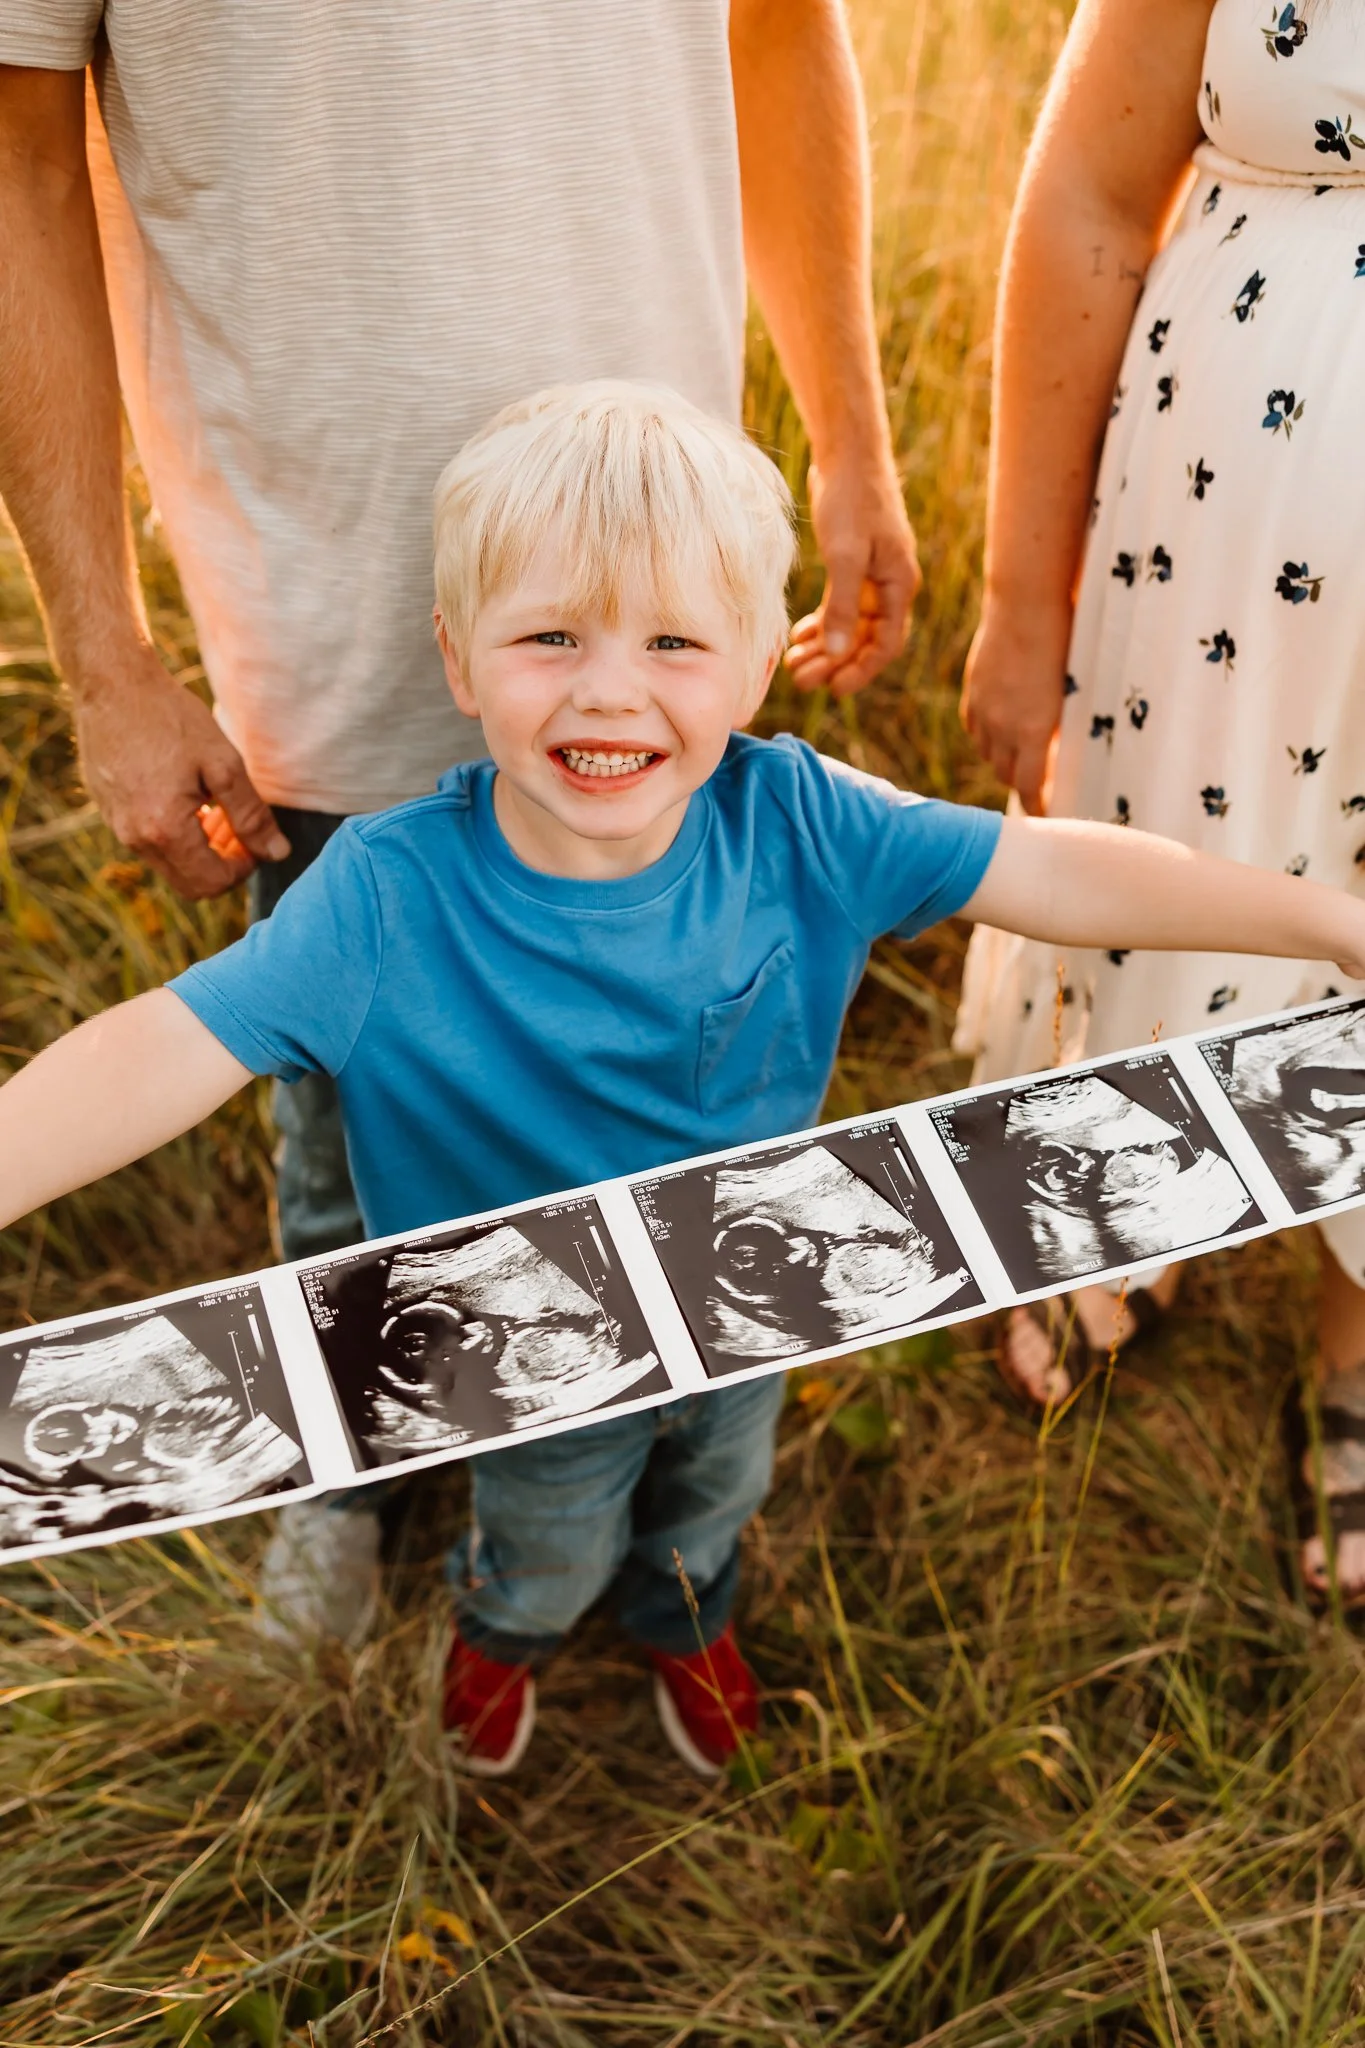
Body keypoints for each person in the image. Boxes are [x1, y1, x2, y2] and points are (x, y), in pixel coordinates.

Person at [4, 382, 1365, 1771]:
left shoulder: (801, 821)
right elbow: (160, 1046)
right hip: (516, 1345)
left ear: (759, 661)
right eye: (549, 638)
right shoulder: (380, 897)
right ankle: (506, 1633)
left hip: (753, 1290)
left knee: (718, 1486)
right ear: (458, 661)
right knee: (549, 1532)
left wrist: (1333, 922)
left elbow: (1055, 868)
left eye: (672, 641)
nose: (609, 689)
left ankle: (685, 1610)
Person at [0, 0, 919, 1629]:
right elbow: (17, 151)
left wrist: (850, 436)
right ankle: (356, 1466)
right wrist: (103, 663)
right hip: (326, 612)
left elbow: (778, 33)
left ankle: (644, 1457)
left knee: (653, 1082)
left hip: (655, 595)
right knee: (346, 1129)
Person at [954, 0, 1365, 1593]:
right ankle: (1131, 1187)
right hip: (1217, 545)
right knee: (1174, 858)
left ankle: (1358, 1351)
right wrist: (1023, 600)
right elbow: (1087, 197)